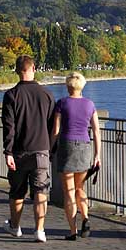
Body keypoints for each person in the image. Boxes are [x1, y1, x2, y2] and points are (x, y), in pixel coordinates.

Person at [1, 55, 54, 242]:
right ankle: (40, 230)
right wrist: (51, 148)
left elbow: (9, 126)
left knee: (17, 191)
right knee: (41, 190)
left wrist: (8, 151)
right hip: (41, 149)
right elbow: (52, 125)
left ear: (17, 71)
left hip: (18, 151)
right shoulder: (47, 94)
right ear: (34, 69)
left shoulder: (11, 95)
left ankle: (15, 227)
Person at [50, 71, 101, 240]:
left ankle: (73, 231)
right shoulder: (89, 104)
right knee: (80, 188)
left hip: (67, 146)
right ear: (82, 86)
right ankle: (85, 217)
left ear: (67, 86)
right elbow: (96, 130)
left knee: (69, 192)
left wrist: (51, 148)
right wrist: (97, 154)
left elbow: (56, 130)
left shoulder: (62, 103)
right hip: (85, 147)